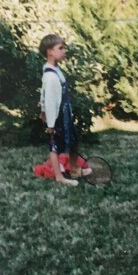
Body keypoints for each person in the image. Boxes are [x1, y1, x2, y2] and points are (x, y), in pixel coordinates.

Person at [37, 33, 87, 186]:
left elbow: (42, 94)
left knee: (74, 139)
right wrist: (51, 124)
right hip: (57, 116)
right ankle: (59, 177)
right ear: (50, 52)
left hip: (64, 112)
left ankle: (73, 169)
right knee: (55, 146)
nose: (64, 51)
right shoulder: (51, 76)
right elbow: (50, 100)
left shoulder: (55, 70)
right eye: (61, 48)